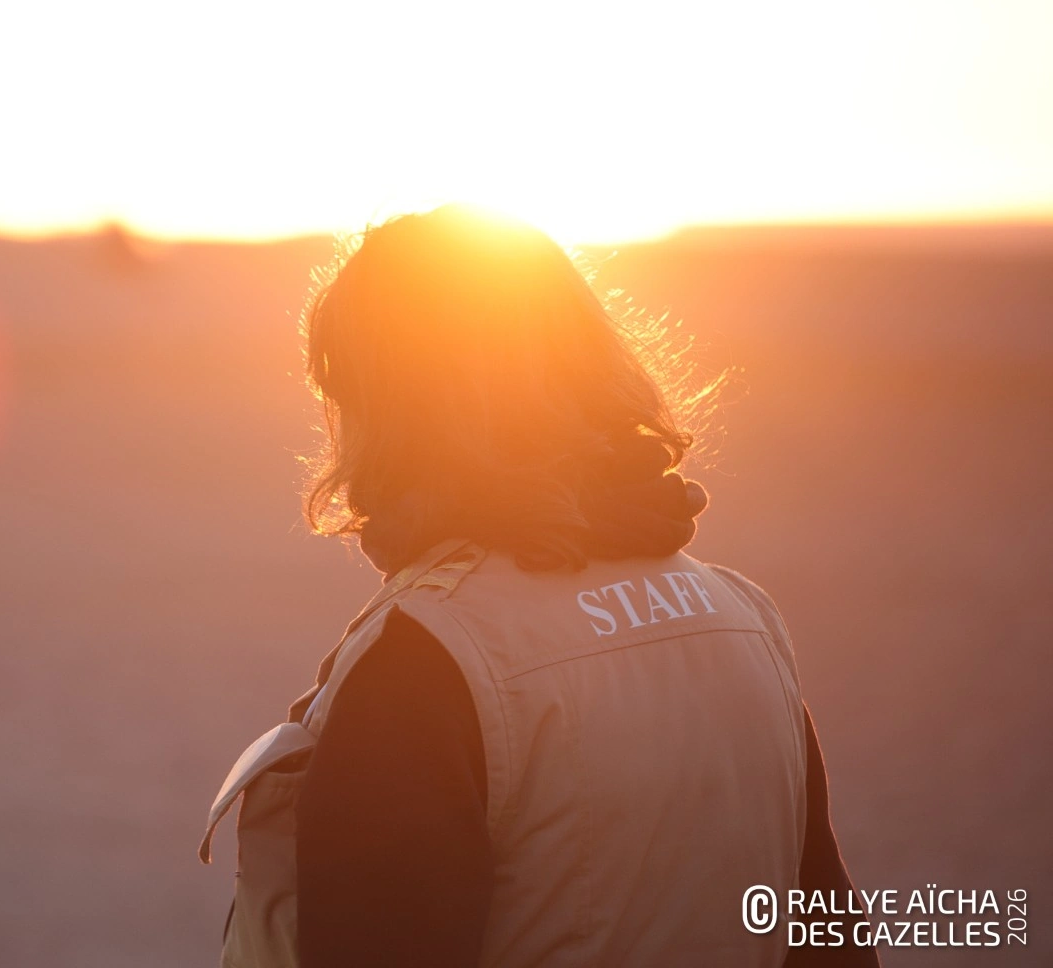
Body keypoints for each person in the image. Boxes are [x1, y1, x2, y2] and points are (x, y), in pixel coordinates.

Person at [199, 206, 876, 968]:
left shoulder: (421, 667)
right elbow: (832, 947)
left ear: (391, 413)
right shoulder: (745, 623)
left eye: (345, 392)